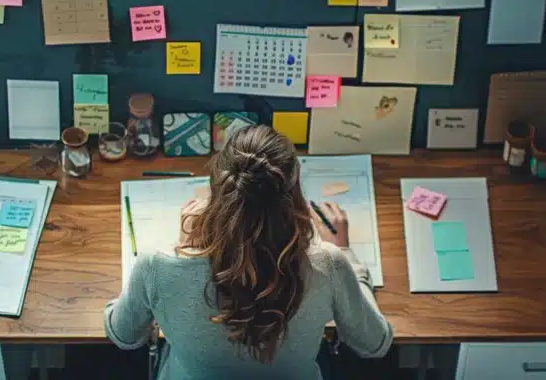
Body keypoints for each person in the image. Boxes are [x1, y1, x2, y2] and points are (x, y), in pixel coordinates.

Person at [105, 125, 392, 379]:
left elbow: (123, 335)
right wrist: (345, 252)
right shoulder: (329, 265)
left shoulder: (156, 267)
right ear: (293, 198)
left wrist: (186, 251)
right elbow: (374, 343)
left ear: (217, 192)